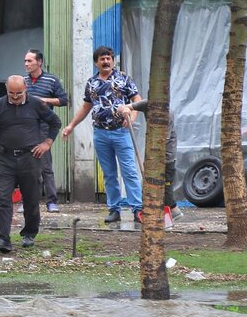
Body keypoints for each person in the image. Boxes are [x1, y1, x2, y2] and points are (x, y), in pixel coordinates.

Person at [0, 74, 61, 253]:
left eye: (19, 93)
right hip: (5, 158)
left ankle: (29, 233)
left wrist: (47, 143)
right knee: (3, 199)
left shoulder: (37, 104)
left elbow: (55, 122)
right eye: (11, 93)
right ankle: (3, 239)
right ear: (7, 90)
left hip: (29, 158)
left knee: (31, 199)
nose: (15, 97)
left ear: (26, 90)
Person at [61, 46, 143, 224]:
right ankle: (114, 209)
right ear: (96, 62)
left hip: (122, 133)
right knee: (109, 174)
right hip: (100, 134)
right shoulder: (91, 83)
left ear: (113, 60)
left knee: (129, 171)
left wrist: (132, 117)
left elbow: (137, 100)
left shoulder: (123, 79)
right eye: (102, 59)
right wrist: (71, 125)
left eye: (109, 58)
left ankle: (138, 209)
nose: (106, 61)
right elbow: (86, 107)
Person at [22, 48, 69, 213]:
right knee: (26, 167)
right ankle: (27, 201)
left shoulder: (51, 80)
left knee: (45, 165)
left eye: (30, 61)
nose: (26, 64)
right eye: (25, 61)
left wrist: (44, 100)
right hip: (26, 128)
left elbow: (64, 100)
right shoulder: (23, 81)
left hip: (43, 127)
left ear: (39, 62)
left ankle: (51, 201)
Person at [129, 99, 178, 212]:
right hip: (152, 152)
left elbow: (162, 141)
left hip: (166, 155)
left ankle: (173, 210)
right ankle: (152, 211)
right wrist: (126, 110)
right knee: (148, 185)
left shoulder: (168, 115)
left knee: (166, 186)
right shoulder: (147, 104)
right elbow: (128, 106)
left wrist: (150, 159)